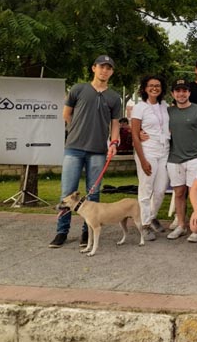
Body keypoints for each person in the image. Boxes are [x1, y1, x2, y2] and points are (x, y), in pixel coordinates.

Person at [49, 55, 121, 249]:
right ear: (93, 68)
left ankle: (87, 232)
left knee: (93, 193)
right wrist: (75, 131)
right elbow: (66, 114)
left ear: (112, 72)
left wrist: (114, 142)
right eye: (101, 67)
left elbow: (115, 124)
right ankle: (61, 232)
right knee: (67, 192)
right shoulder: (78, 89)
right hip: (74, 148)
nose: (104, 70)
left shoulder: (114, 97)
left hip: (98, 151)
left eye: (108, 68)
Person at [165, 79, 197, 240]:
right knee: (179, 193)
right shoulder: (168, 112)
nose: (181, 94)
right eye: (178, 91)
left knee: (196, 193)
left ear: (189, 92)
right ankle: (181, 225)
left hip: (195, 158)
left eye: (184, 90)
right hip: (174, 158)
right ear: (173, 94)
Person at [131, 75, 170, 241]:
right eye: (151, 85)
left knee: (160, 190)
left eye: (158, 85)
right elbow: (135, 134)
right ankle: (145, 225)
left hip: (164, 151)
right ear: (145, 88)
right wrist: (142, 160)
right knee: (146, 189)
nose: (154, 88)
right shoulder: (139, 107)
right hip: (148, 151)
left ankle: (152, 216)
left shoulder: (165, 106)